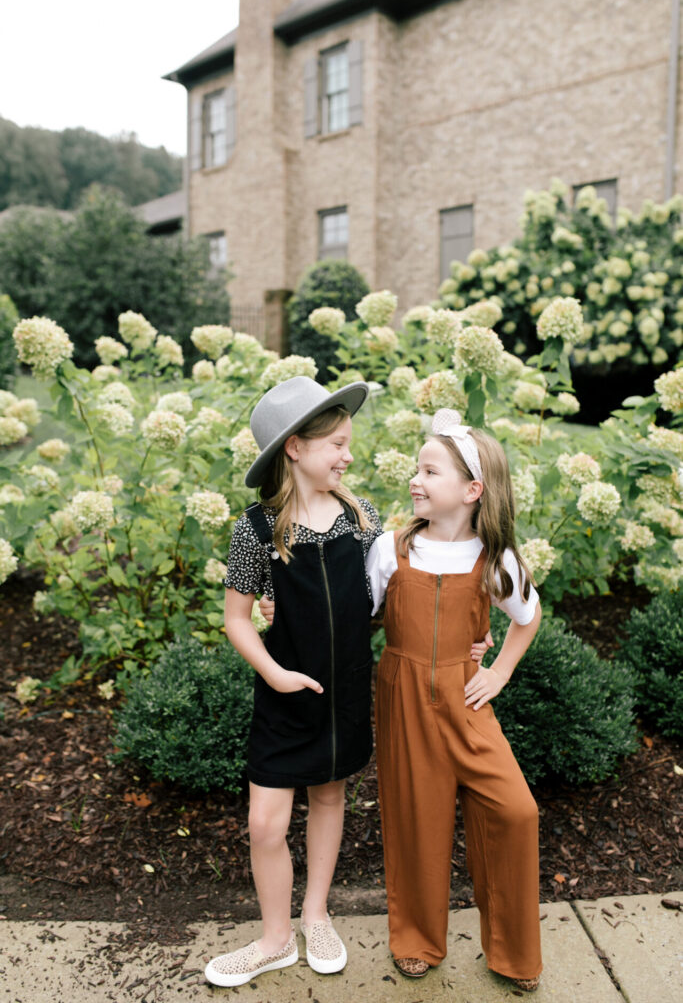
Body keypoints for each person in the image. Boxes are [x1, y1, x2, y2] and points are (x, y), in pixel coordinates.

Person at [204, 375, 384, 988]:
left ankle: (315, 915)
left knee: (330, 797)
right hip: (283, 694)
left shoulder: (363, 520)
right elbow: (235, 617)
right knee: (266, 823)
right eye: (335, 443)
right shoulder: (258, 528)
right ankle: (275, 938)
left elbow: (387, 601)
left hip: (344, 691)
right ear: (295, 449)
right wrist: (275, 673)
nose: (347, 455)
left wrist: (474, 631)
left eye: (348, 442)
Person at [367, 408, 543, 993]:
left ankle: (513, 953)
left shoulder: (496, 561)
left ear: (471, 490)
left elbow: (527, 615)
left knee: (515, 812)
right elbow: (357, 616)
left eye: (429, 471)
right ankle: (416, 938)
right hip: (405, 700)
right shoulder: (392, 551)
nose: (415, 480)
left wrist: (498, 672)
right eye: (416, 469)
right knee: (418, 820)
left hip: (468, 702)